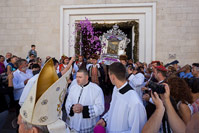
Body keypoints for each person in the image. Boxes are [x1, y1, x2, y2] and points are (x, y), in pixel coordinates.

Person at [18, 58, 72, 133]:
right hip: (32, 117)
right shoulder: (33, 81)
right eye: (56, 68)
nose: (57, 71)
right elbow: (22, 101)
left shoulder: (53, 79)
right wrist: (31, 114)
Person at [96, 62, 146, 132]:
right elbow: (113, 110)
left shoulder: (134, 101)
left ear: (112, 77)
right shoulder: (116, 89)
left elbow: (136, 130)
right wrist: (105, 119)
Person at [65, 68, 104, 132]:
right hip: (73, 125)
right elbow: (68, 102)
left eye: (80, 77)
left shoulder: (97, 89)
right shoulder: (73, 88)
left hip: (88, 125)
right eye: (77, 77)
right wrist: (72, 108)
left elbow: (100, 108)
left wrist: (83, 109)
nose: (77, 79)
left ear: (86, 77)